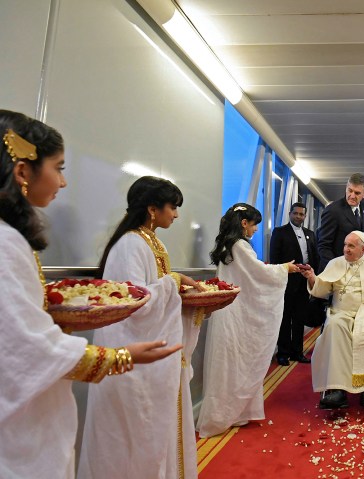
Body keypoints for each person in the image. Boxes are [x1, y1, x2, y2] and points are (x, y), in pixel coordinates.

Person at [0, 110, 181, 479]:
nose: (63, 182)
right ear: (22, 172)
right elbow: (24, 344)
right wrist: (118, 357)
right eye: (59, 167)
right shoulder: (5, 242)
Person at [79, 176, 224, 479]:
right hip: (134, 360)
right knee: (135, 439)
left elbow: (154, 293)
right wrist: (173, 283)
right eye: (172, 207)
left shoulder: (151, 240)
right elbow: (134, 303)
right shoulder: (131, 243)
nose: (177, 214)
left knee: (156, 434)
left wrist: (188, 299)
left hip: (155, 355)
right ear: (152, 209)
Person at [197, 203, 301, 437]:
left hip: (230, 311)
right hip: (237, 312)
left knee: (230, 362)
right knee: (237, 360)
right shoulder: (240, 245)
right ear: (244, 223)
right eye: (254, 225)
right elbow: (259, 274)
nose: (255, 229)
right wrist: (286, 267)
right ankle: (229, 412)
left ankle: (233, 411)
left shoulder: (228, 244)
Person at [301, 231, 364, 408]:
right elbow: (320, 291)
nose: (346, 249)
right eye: (345, 245)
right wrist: (311, 278)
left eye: (351, 246)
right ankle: (338, 388)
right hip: (342, 312)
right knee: (334, 325)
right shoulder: (335, 263)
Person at [269, 202, 319, 366]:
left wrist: (314, 275)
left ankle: (297, 352)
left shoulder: (310, 234)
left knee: (299, 319)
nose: (298, 216)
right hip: (286, 282)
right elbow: (275, 259)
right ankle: (283, 353)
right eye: (295, 213)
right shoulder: (280, 232)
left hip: (304, 282)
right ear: (290, 214)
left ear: (305, 216)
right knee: (284, 319)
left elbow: (315, 257)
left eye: (301, 214)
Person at [316, 173, 364, 272]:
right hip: (335, 270)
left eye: (357, 193)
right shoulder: (332, 210)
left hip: (357, 270)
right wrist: (337, 268)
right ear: (346, 187)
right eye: (350, 191)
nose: (352, 196)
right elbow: (324, 245)